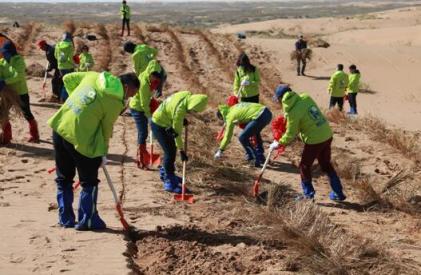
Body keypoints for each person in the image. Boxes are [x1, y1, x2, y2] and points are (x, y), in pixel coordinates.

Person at [47, 71, 139, 230]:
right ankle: (87, 220)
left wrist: (76, 105)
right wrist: (102, 153)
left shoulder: (94, 76)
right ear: (125, 86)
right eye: (131, 93)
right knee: (89, 180)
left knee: (64, 178)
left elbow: (68, 78)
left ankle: (65, 219)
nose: (129, 98)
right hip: (80, 137)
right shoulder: (114, 102)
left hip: (60, 126)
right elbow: (105, 130)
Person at [269, 85, 346, 201]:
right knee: (325, 164)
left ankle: (308, 195)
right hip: (326, 133)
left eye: (278, 100)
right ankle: (338, 192)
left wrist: (279, 143)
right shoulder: (305, 97)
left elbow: (291, 133)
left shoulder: (292, 112)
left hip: (315, 140)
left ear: (281, 99)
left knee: (304, 166)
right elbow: (306, 117)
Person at [151, 91, 208, 193]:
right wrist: (182, 151)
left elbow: (172, 106)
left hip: (164, 120)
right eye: (192, 110)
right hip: (158, 124)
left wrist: (182, 120)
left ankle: (167, 172)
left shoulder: (186, 94)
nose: (191, 112)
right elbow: (177, 134)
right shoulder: (179, 111)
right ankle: (169, 182)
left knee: (171, 150)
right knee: (170, 152)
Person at [0, 41, 39, 144]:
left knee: (27, 113)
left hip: (21, 92)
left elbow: (18, 76)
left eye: (5, 53)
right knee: (2, 113)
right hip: (8, 93)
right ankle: (6, 137)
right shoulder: (2, 62)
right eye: (2, 52)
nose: (3, 54)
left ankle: (34, 135)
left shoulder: (19, 61)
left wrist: (4, 81)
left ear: (11, 52)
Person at [129, 60, 164, 168]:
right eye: (154, 76)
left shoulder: (150, 78)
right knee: (143, 131)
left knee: (143, 132)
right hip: (137, 108)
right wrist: (149, 116)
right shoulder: (143, 83)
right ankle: (141, 157)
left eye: (157, 77)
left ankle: (143, 154)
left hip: (143, 106)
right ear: (149, 73)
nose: (155, 79)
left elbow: (147, 98)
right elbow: (144, 103)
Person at [214, 102, 272, 167]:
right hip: (267, 112)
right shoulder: (234, 107)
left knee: (242, 137)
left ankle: (254, 159)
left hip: (259, 116)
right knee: (255, 132)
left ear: (222, 116)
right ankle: (260, 157)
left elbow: (228, 136)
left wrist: (220, 150)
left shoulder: (229, 116)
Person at [55, 32, 75, 102]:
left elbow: (56, 56)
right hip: (68, 67)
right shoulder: (70, 46)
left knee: (64, 81)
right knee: (67, 82)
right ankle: (64, 98)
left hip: (60, 67)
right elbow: (70, 59)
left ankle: (62, 97)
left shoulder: (57, 45)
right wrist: (75, 65)